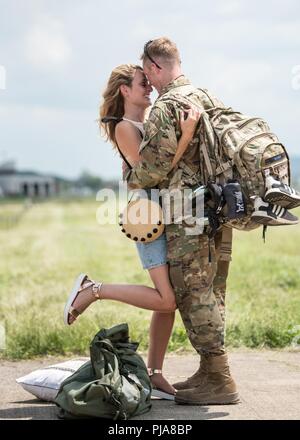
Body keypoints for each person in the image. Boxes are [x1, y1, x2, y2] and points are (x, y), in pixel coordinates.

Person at [63, 63, 201, 399]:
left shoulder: (149, 118)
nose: (150, 87)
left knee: (168, 303)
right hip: (148, 220)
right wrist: (185, 134)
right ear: (125, 90)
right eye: (143, 83)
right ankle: (93, 289)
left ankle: (155, 373)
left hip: (167, 215)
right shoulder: (124, 126)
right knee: (166, 299)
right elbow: (154, 173)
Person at [124, 37, 240, 405]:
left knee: (193, 293)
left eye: (147, 73)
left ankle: (220, 378)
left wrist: (131, 177)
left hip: (188, 216)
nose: (148, 80)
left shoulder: (165, 109)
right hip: (219, 209)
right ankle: (210, 371)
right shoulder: (208, 97)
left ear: (156, 68)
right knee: (212, 290)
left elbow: (151, 172)